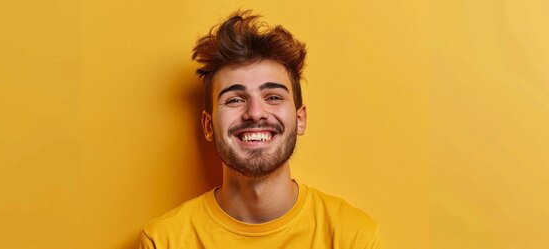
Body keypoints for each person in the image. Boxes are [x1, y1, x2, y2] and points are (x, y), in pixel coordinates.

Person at [139, 9, 381, 249]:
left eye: (273, 97)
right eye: (234, 99)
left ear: (300, 119)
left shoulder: (352, 237)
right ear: (208, 125)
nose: (255, 113)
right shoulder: (163, 241)